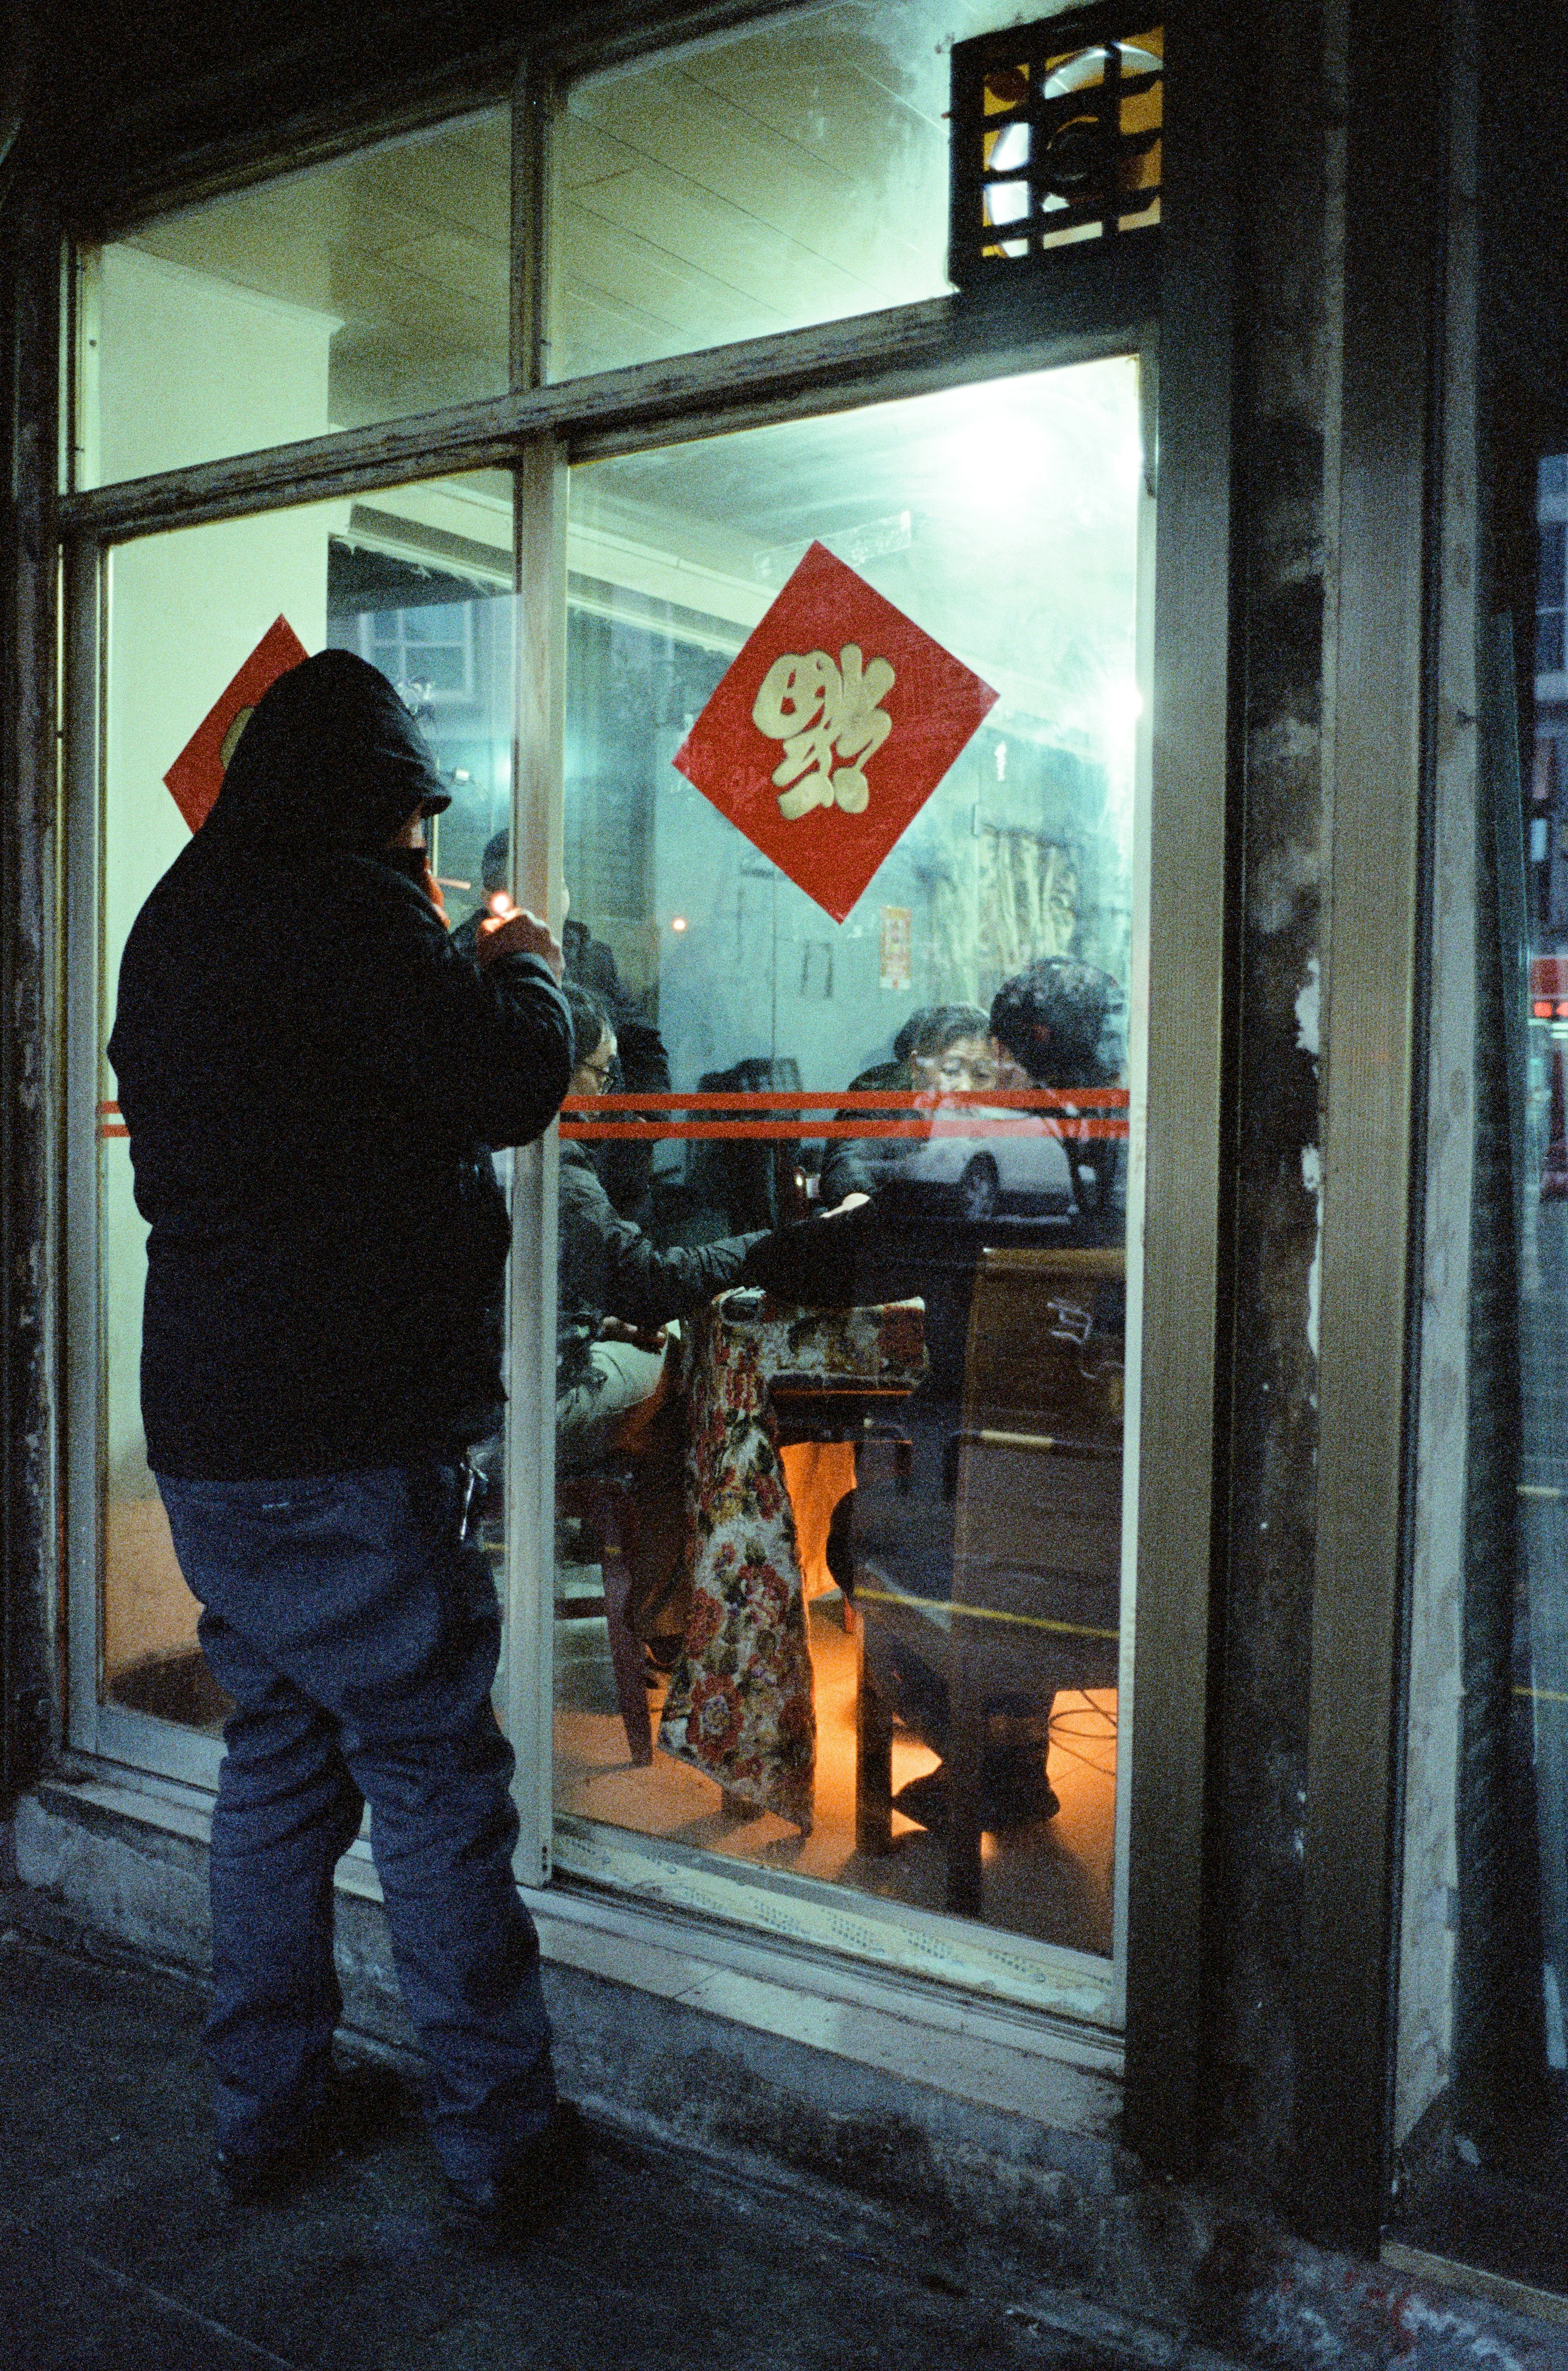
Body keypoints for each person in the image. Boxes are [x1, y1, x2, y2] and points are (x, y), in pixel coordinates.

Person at [107, 649, 578, 2252]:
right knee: (435, 1776)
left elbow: (314, 1081)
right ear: (378, 808)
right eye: (414, 823)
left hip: (216, 1430)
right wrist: (525, 965)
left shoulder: (178, 913)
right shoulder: (347, 907)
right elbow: (499, 1073)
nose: (425, 853)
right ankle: (503, 2143)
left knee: (283, 1755)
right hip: (351, 1431)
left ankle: (267, 2116)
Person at [556, 983, 767, 1471]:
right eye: (602, 1074)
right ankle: (674, 1540)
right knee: (681, 1359)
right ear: (564, 1069)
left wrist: (605, 1323)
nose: (609, 1092)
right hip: (527, 1413)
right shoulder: (555, 1158)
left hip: (487, 1398)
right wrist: (767, 1247)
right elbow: (648, 1284)